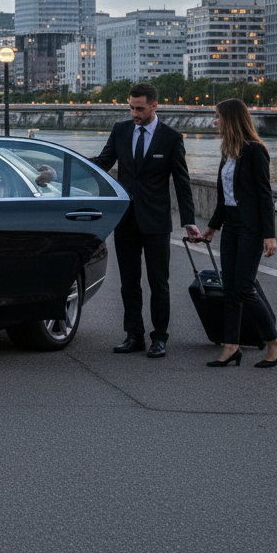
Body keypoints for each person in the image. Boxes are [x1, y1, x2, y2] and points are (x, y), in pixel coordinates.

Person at [92, 82, 199, 358]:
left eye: (139, 108)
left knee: (158, 282)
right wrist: (68, 170)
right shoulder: (121, 130)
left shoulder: (172, 138)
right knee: (129, 282)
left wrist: (189, 220)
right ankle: (133, 335)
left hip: (156, 222)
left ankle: (159, 338)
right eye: (131, 107)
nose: (134, 113)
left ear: (154, 106)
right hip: (126, 220)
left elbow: (182, 182)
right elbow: (102, 163)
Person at [195, 98, 277, 369]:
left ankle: (274, 341)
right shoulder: (228, 151)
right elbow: (224, 198)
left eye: (218, 117)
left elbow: (264, 195)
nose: (215, 122)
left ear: (231, 119)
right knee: (230, 290)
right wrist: (212, 227)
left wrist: (269, 235)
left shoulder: (256, 151)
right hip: (232, 226)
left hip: (251, 227)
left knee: (244, 287)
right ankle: (231, 346)